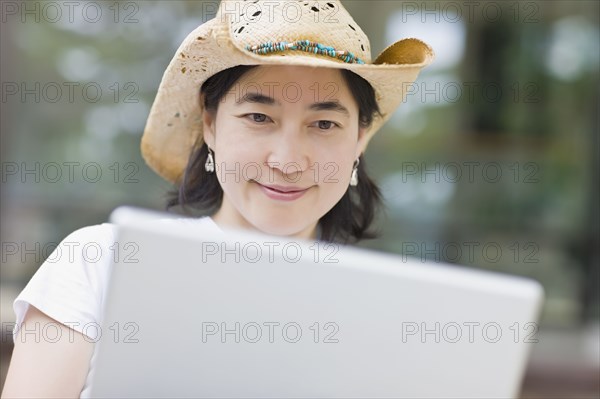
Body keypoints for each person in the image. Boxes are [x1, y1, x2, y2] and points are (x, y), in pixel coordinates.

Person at [2, 0, 433, 397]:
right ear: (210, 124)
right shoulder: (101, 261)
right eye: (259, 117)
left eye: (323, 124)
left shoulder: (390, 317)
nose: (286, 161)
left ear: (359, 139)